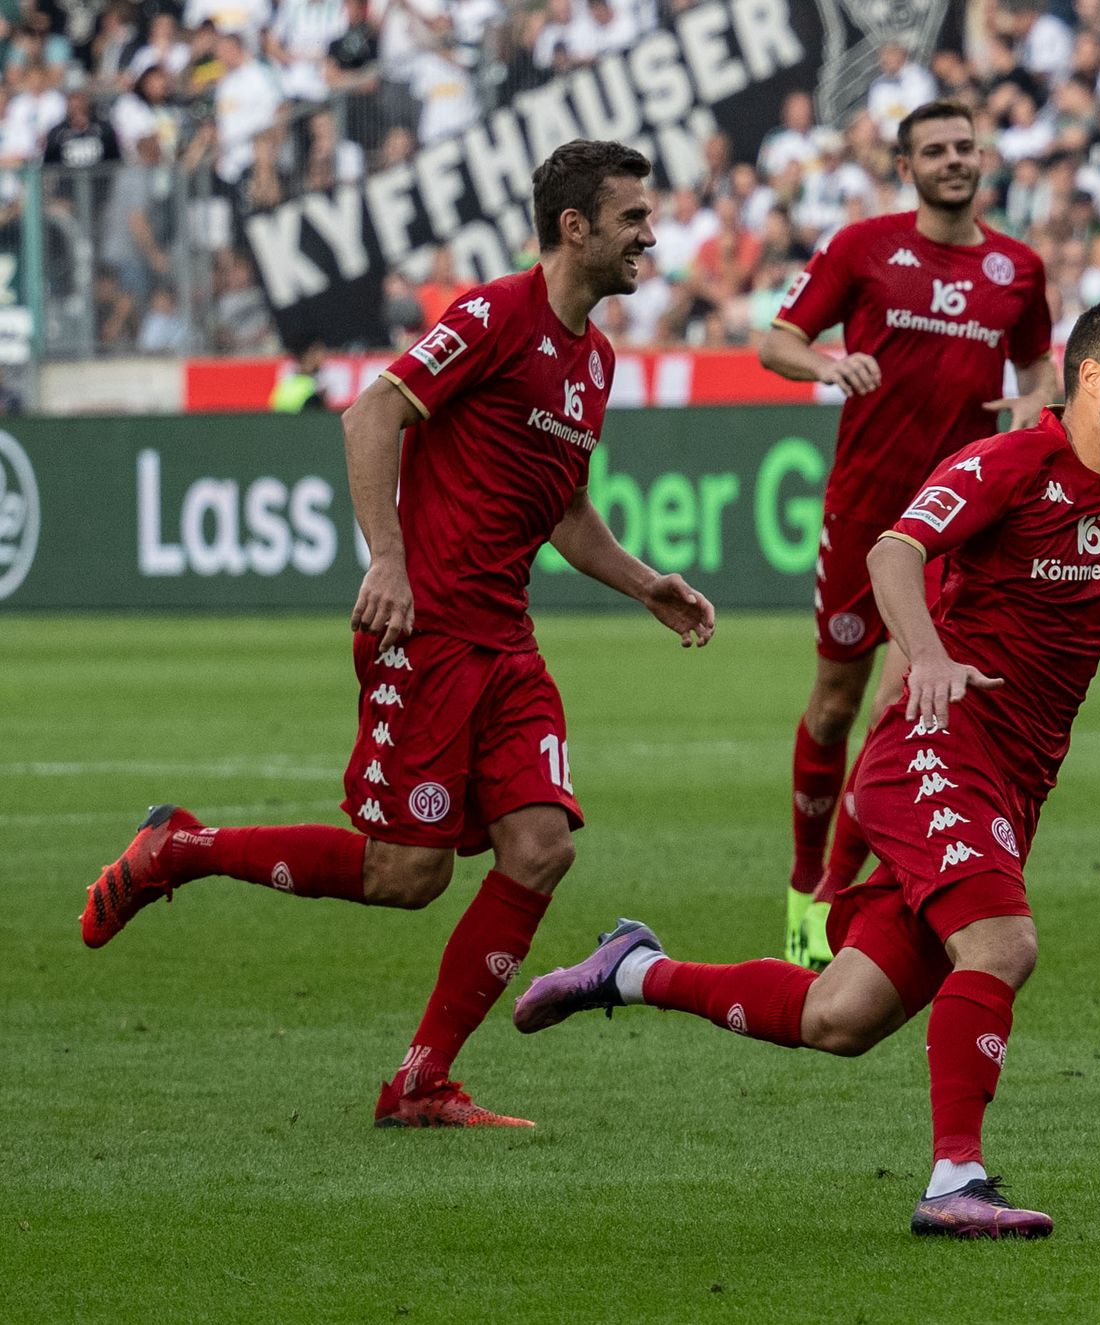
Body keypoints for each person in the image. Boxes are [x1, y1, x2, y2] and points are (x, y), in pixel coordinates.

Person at [512, 217, 1100, 1239]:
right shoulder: (1007, 465)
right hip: (934, 747)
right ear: (1092, 379)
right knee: (1002, 942)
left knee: (838, 1017)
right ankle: (954, 1180)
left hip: (1013, 778)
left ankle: (628, 967)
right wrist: (922, 653)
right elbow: (892, 552)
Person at [80, 139, 717, 1128]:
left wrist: (645, 585)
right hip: (424, 633)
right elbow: (371, 411)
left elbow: (563, 510)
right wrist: (386, 555)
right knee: (405, 874)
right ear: (575, 227)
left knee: (540, 846)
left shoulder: (593, 359)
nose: (652, 233)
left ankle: (419, 1081)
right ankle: (182, 850)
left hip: (504, 640)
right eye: (634, 218)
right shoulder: (492, 316)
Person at [758, 100, 1056, 969]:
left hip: (959, 523)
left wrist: (1034, 401)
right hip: (864, 511)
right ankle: (802, 875)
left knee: (898, 703)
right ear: (907, 164)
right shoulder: (864, 247)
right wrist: (826, 363)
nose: (955, 160)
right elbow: (779, 341)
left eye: (966, 146)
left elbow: (1036, 363)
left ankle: (829, 901)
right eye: (937, 150)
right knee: (837, 703)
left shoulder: (1018, 267)